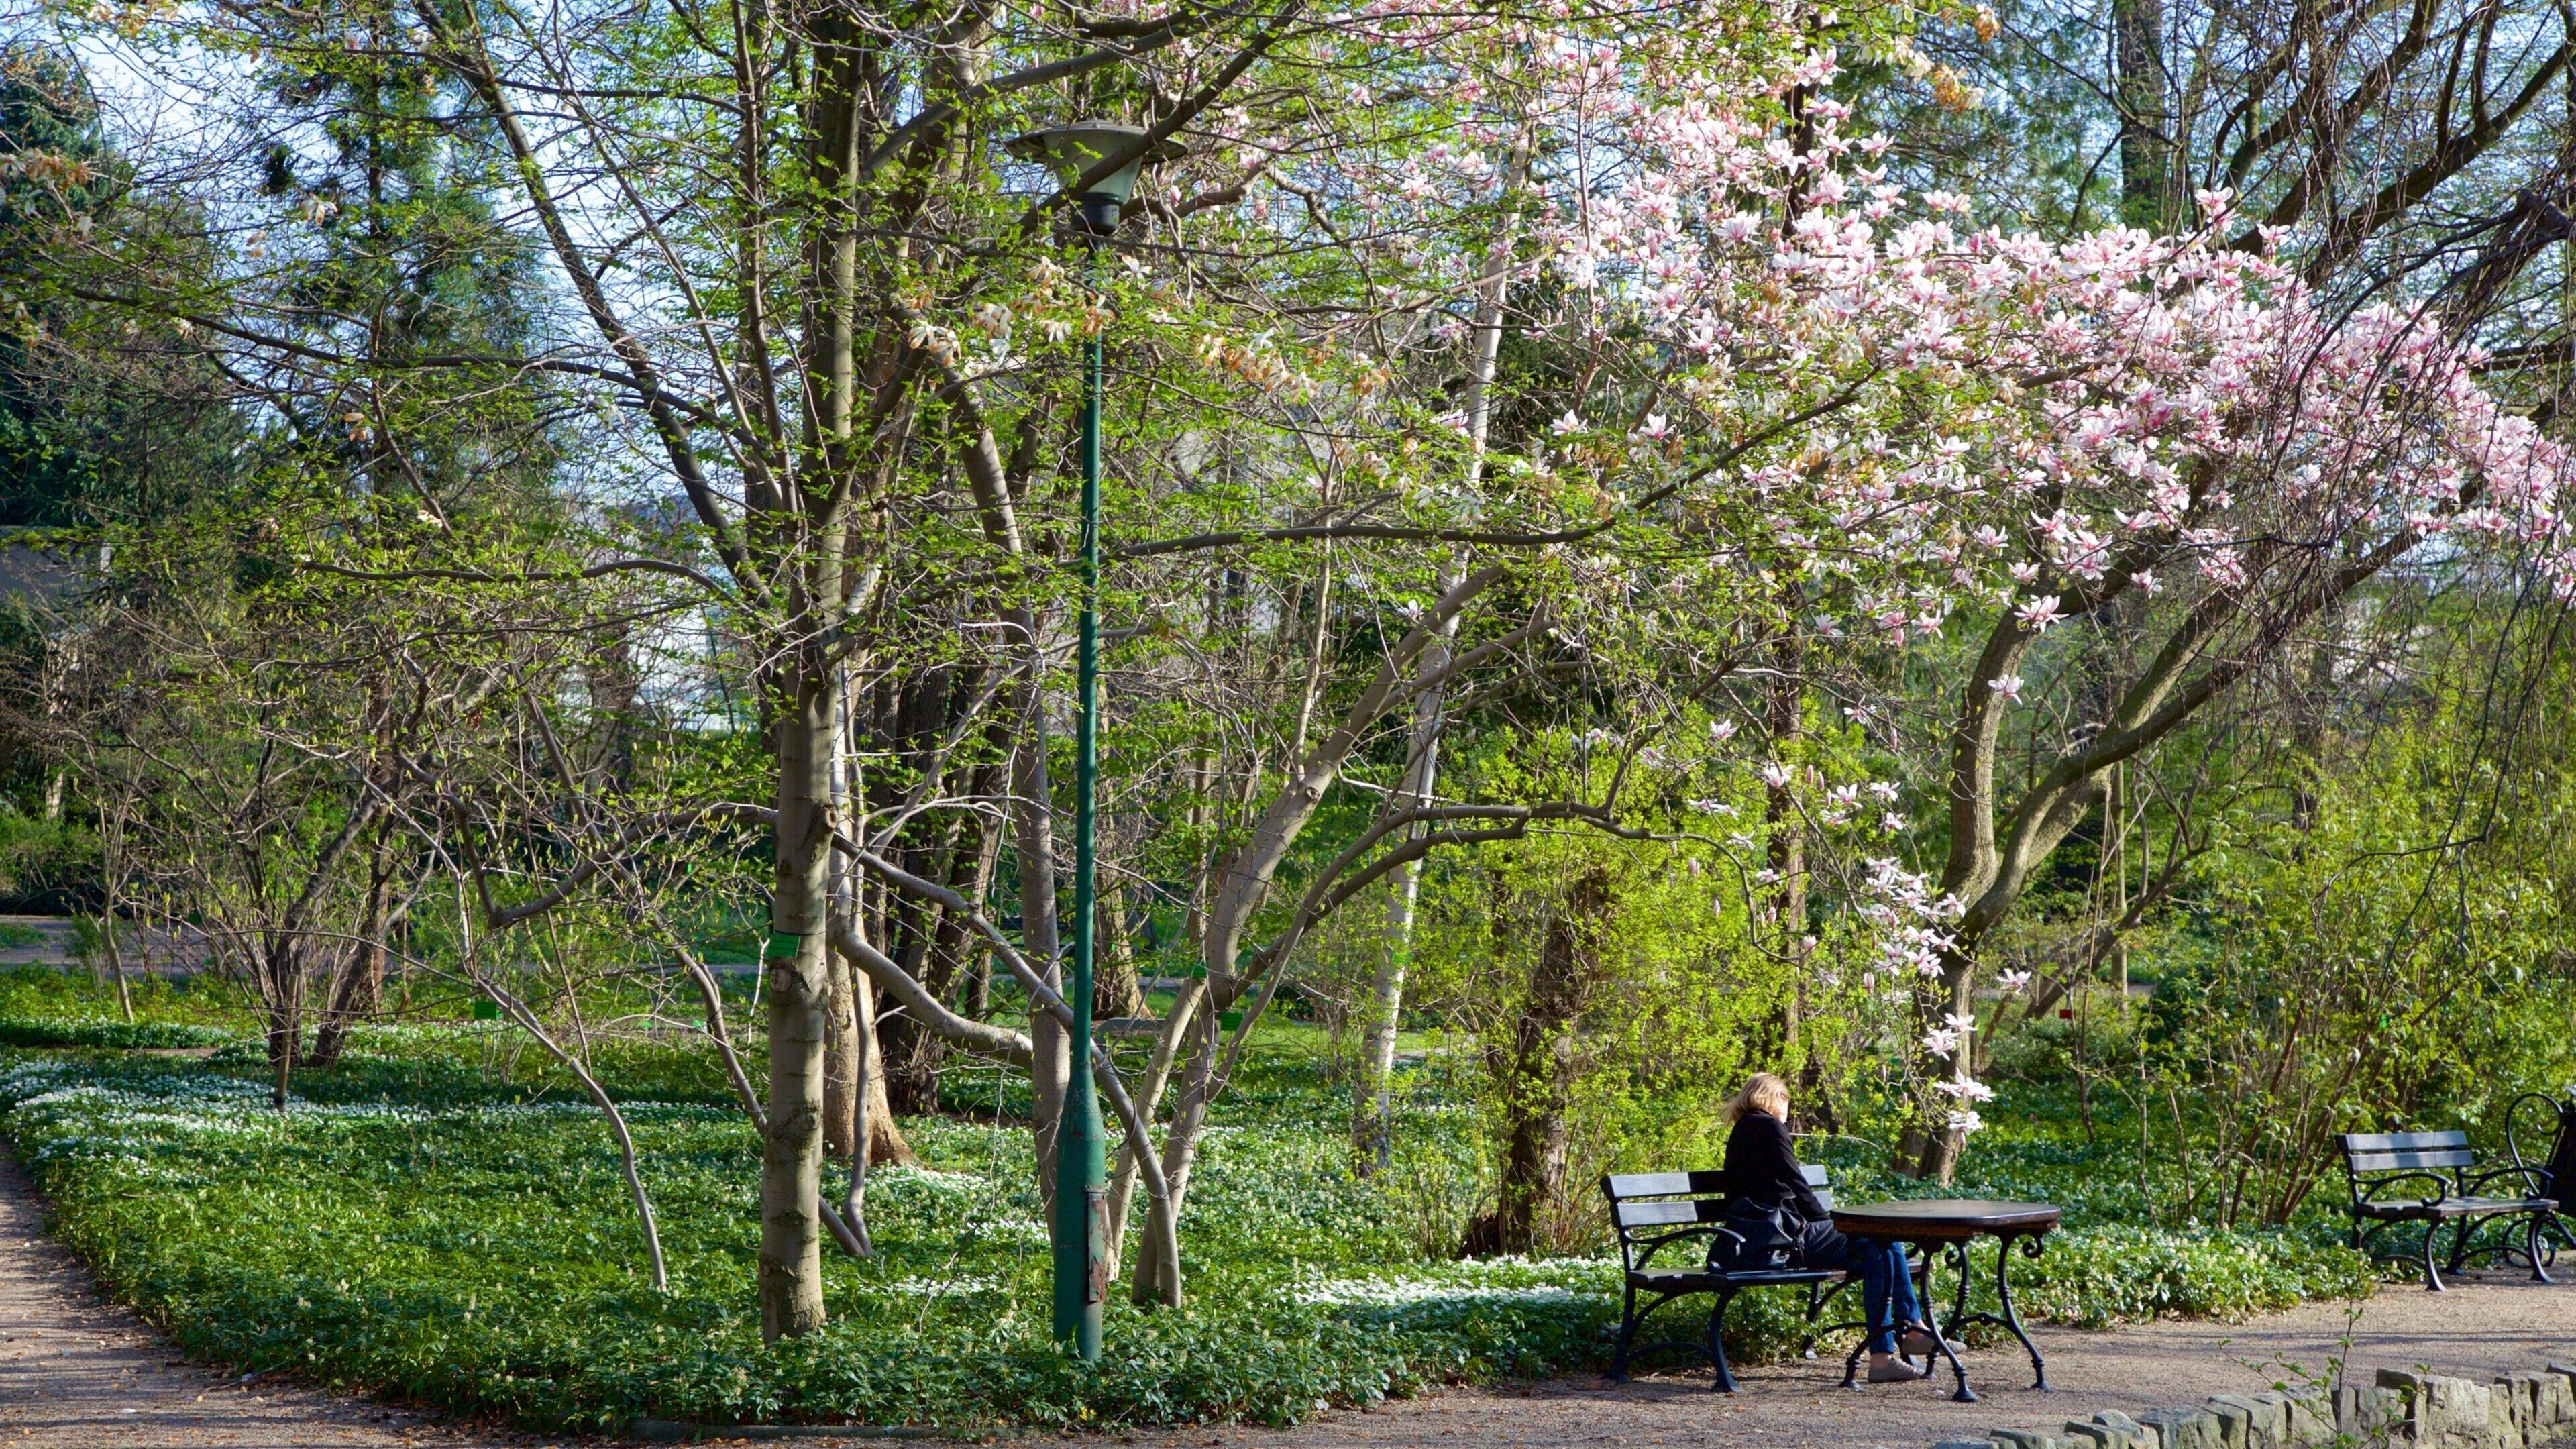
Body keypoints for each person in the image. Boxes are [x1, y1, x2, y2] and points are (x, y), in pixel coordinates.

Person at [1718, 1071, 1935, 1383]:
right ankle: (1905, 1336)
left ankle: (1888, 1353)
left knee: (1880, 1249)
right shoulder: (1767, 1126)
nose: (1788, 1110)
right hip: (1783, 1240)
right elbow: (1796, 1181)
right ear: (1776, 1098)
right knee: (1883, 1241)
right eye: (1786, 1102)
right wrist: (1829, 1222)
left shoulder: (1746, 1128)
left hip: (1766, 1239)